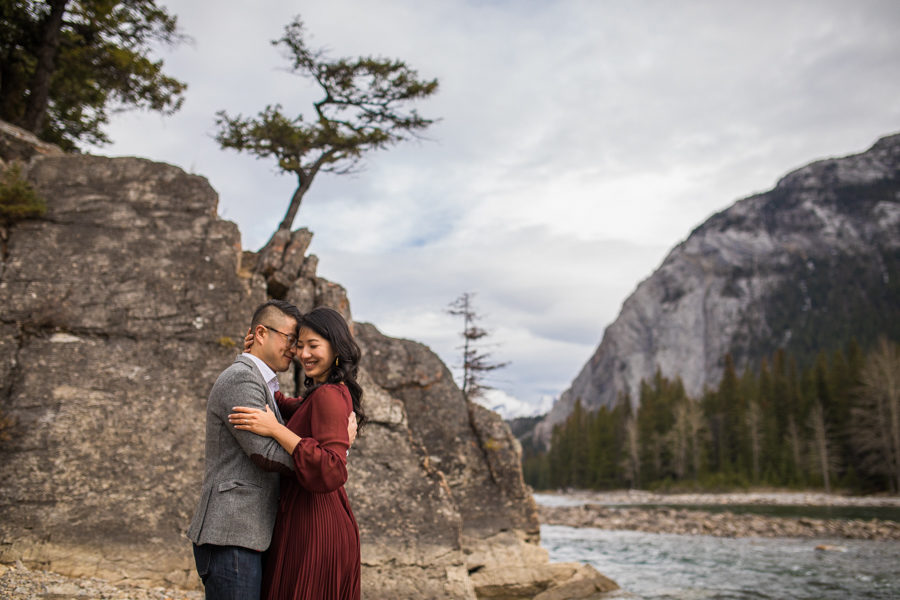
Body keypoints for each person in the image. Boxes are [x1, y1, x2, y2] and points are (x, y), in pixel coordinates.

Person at [187, 300, 357, 600]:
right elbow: (263, 451)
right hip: (233, 531)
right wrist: (328, 460)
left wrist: (330, 458)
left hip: (252, 533)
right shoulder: (242, 377)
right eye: (292, 341)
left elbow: (289, 415)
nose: (297, 352)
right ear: (262, 334)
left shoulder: (321, 393)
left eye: (306, 344)